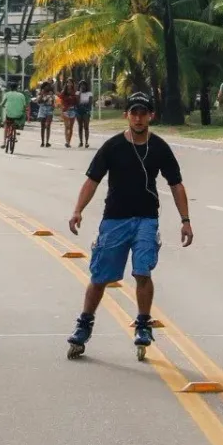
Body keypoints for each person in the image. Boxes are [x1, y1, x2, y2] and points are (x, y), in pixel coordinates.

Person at [64, 93, 190, 360]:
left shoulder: (159, 148)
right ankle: (84, 325)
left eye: (143, 113)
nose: (138, 117)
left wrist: (185, 221)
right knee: (99, 277)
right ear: (127, 115)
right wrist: (78, 210)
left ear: (150, 116)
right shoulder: (112, 146)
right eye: (134, 112)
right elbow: (92, 181)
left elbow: (176, 184)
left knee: (142, 272)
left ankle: (143, 323)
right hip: (115, 220)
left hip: (146, 219)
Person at [1, 80, 29, 151]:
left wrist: (2, 105)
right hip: (19, 115)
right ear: (17, 88)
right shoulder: (21, 95)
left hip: (9, 115)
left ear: (10, 88)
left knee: (6, 125)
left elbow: (2, 103)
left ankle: (4, 143)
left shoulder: (7, 94)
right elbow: (25, 106)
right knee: (17, 119)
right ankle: (15, 133)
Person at [37, 82, 57, 147]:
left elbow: (53, 103)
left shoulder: (52, 94)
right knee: (42, 127)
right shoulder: (41, 93)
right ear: (43, 87)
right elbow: (39, 102)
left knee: (48, 126)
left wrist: (53, 106)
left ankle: (47, 142)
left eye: (48, 86)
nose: (47, 87)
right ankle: (42, 142)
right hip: (42, 109)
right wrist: (42, 95)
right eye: (46, 86)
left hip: (49, 110)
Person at [75, 82, 94, 148]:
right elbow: (77, 102)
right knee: (80, 126)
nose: (83, 86)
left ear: (86, 86)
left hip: (86, 111)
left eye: (84, 85)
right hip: (79, 111)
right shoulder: (77, 93)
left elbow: (90, 103)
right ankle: (81, 142)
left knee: (86, 126)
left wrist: (85, 107)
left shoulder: (89, 93)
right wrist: (80, 93)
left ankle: (86, 142)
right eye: (81, 85)